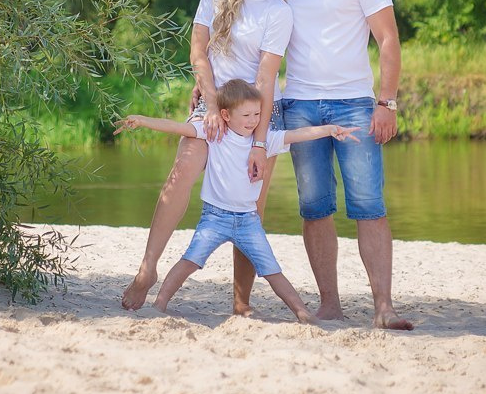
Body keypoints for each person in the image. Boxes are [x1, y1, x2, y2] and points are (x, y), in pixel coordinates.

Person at [120, 0, 293, 315]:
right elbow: (199, 50)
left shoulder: (279, 12)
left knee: (251, 209)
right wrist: (211, 102)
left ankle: (241, 301)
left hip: (258, 114)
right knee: (180, 176)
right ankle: (148, 271)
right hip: (214, 104)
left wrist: (261, 142)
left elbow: (266, 79)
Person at [266, 0, 414, 330]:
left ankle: (384, 307)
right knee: (314, 207)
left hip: (354, 103)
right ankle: (329, 304)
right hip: (301, 106)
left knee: (369, 204)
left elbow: (388, 39)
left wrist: (386, 102)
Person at [115, 78, 359, 322]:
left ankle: (302, 313)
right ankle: (159, 305)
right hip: (214, 218)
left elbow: (296, 135)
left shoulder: (263, 142)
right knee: (189, 262)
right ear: (226, 115)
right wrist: (143, 121)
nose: (253, 121)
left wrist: (329, 130)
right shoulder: (213, 134)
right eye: (247, 115)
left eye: (257, 114)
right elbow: (178, 128)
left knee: (272, 270)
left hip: (248, 222)